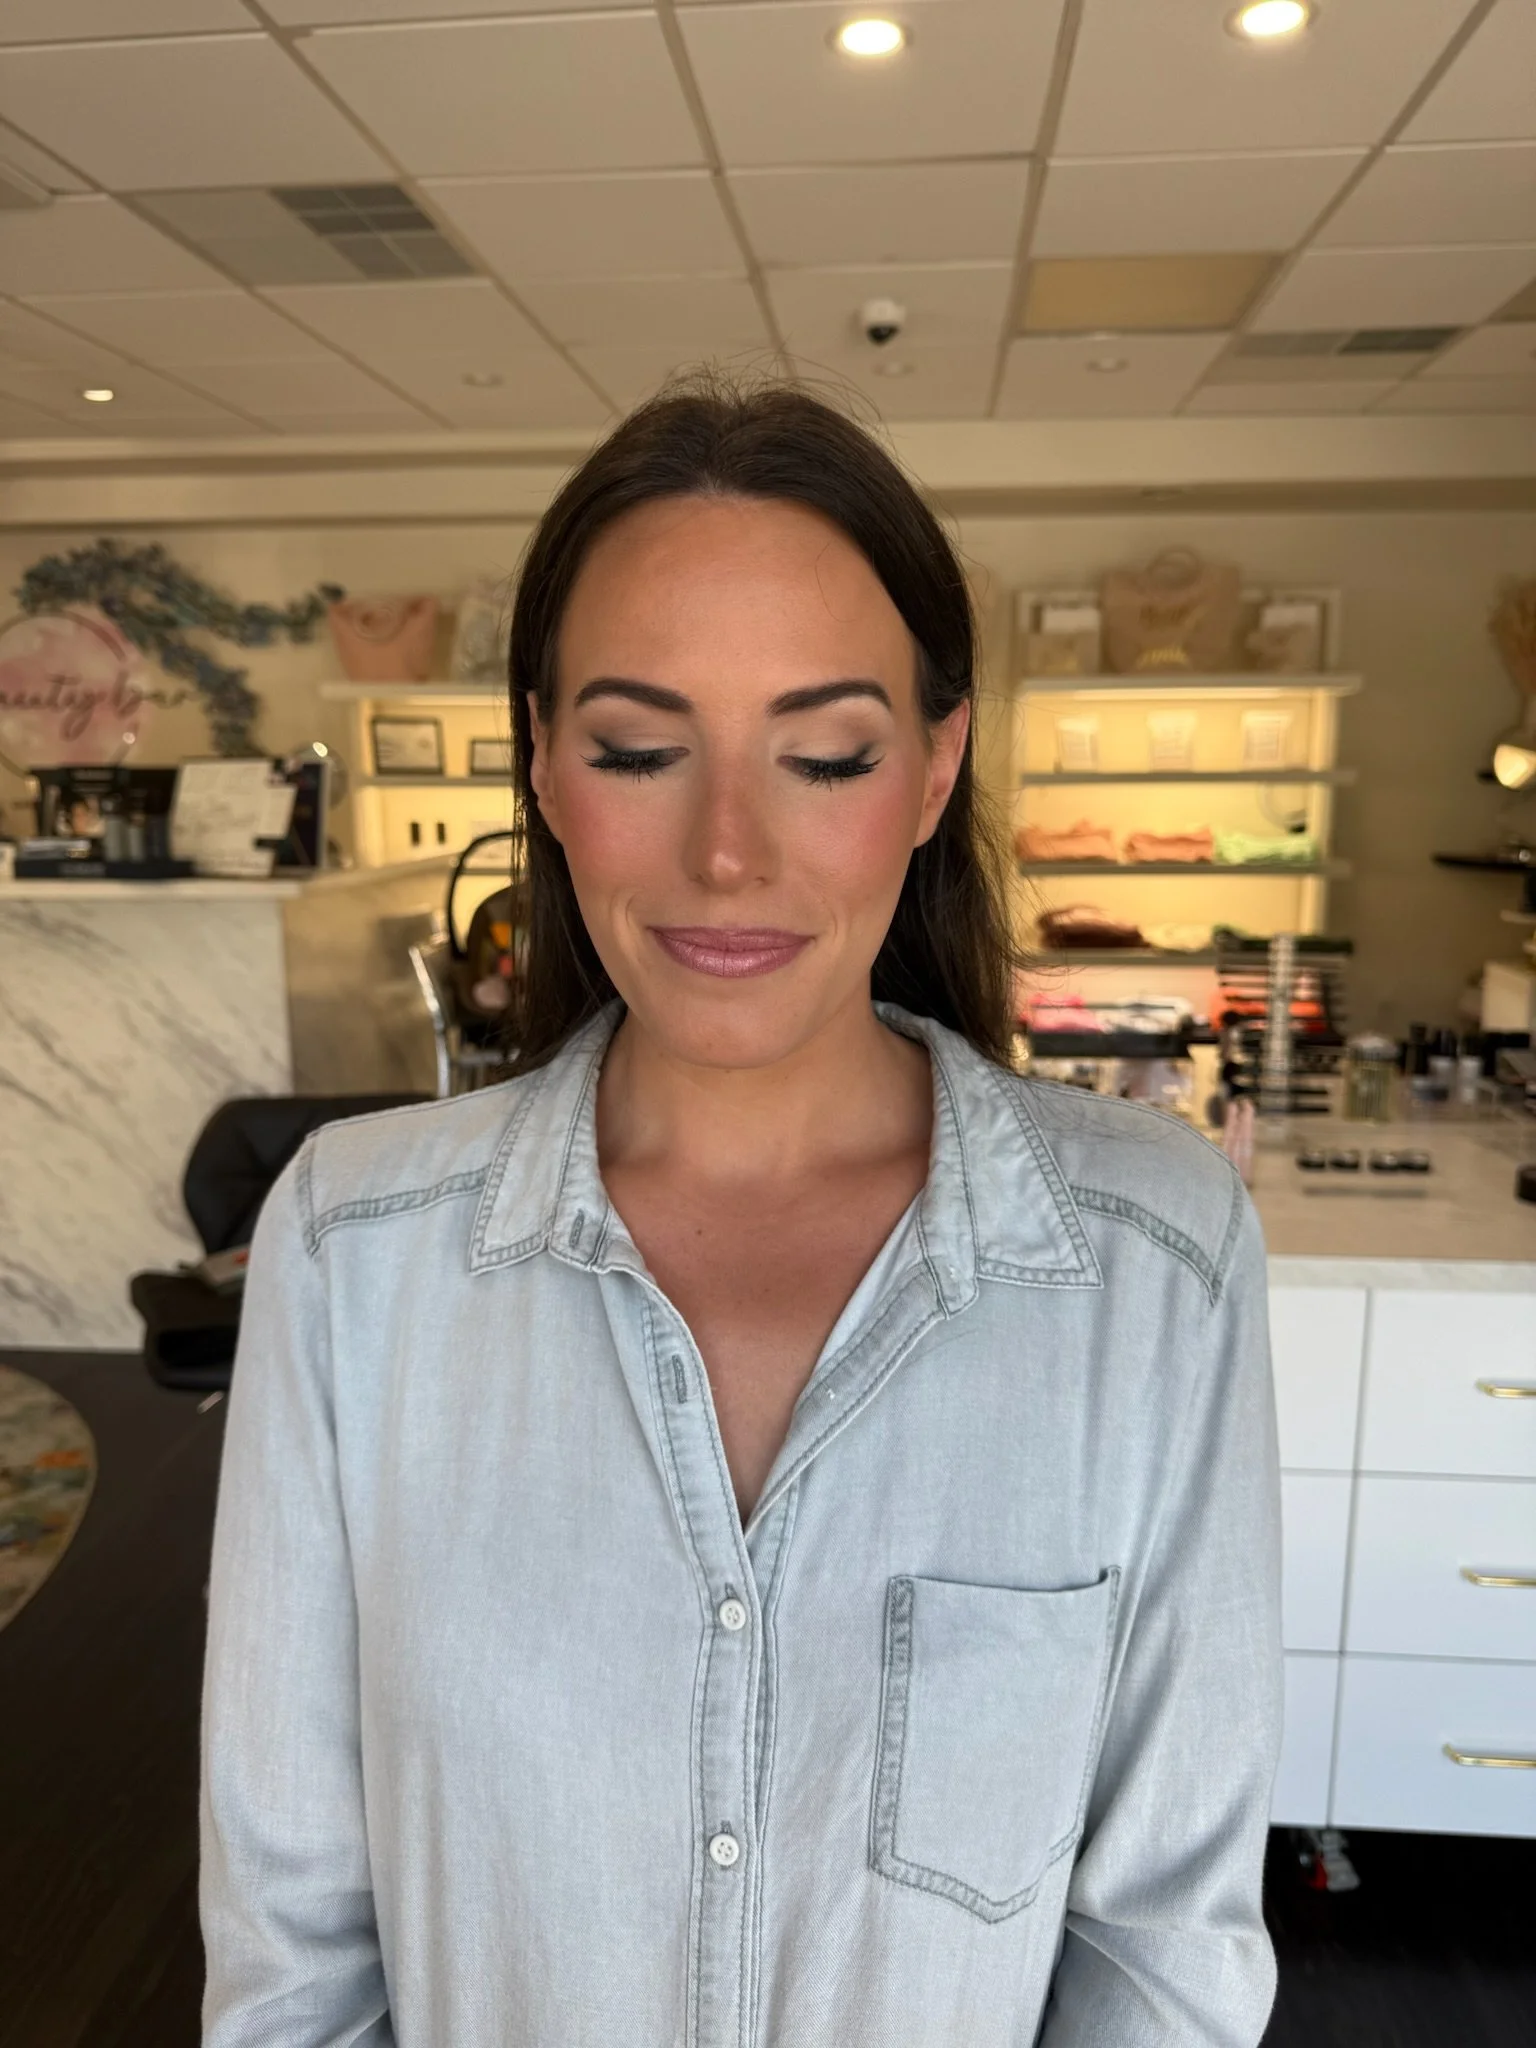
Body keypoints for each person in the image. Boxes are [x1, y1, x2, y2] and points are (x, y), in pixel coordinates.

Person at [201, 374, 1282, 2047]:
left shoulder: (1155, 1264)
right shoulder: (352, 1257)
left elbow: (1165, 1954)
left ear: (933, 770)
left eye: (824, 753)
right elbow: (292, 1961)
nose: (726, 852)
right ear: (547, 773)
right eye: (640, 749)